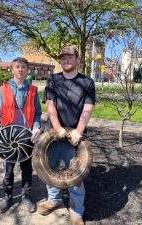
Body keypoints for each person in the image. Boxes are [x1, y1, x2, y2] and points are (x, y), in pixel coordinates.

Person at [37, 46, 96, 225]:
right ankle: (53, 200)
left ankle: (77, 211)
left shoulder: (87, 82)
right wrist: (57, 127)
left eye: (70, 56)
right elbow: (50, 105)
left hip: (76, 139)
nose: (66, 59)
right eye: (63, 57)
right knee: (51, 170)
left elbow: (87, 108)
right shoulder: (53, 80)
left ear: (78, 59)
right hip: (53, 136)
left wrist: (78, 131)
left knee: (75, 175)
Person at [0, 57, 42, 214]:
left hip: (27, 137)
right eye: (17, 67)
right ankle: (7, 196)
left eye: (23, 67)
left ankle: (26, 196)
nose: (20, 69)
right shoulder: (3, 89)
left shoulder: (33, 90)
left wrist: (37, 127)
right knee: (8, 169)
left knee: (27, 169)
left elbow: (38, 113)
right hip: (8, 138)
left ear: (27, 70)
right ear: (12, 69)